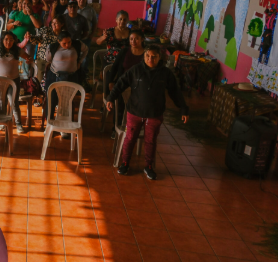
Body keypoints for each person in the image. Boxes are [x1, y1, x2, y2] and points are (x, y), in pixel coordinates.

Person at [107, 44, 189, 180]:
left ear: (159, 57)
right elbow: (121, 83)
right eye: (147, 56)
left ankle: (149, 166)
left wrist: (183, 109)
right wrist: (111, 98)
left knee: (150, 140)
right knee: (130, 138)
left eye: (154, 57)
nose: (150, 59)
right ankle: (125, 163)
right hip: (134, 112)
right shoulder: (135, 70)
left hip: (154, 114)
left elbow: (175, 92)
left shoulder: (165, 73)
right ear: (144, 56)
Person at [43, 32, 88, 128]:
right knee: (52, 100)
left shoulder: (77, 44)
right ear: (58, 41)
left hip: (71, 76)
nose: (67, 45)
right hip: (55, 76)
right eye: (64, 43)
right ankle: (49, 124)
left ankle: (65, 124)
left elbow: (86, 50)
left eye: (69, 42)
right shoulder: (53, 47)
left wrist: (80, 61)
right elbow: (48, 59)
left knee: (68, 101)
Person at [106, 29, 146, 134]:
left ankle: (132, 129)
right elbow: (114, 67)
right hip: (123, 84)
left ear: (142, 39)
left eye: (136, 39)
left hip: (139, 86)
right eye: (131, 39)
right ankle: (116, 128)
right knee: (120, 107)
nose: (133, 41)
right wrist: (111, 81)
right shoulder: (124, 52)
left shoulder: (146, 54)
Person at [27, 16, 65, 83]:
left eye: (56, 23)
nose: (53, 24)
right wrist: (30, 37)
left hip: (55, 62)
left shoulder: (63, 35)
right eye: (52, 23)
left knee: (51, 81)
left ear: (62, 24)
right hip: (42, 58)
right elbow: (37, 40)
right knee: (40, 80)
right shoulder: (45, 30)